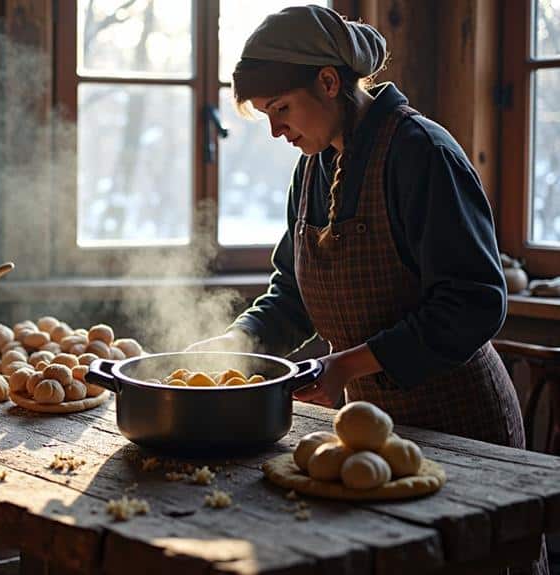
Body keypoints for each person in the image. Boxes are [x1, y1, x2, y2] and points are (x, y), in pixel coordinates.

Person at [189, 7, 546, 570]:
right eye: (266, 115)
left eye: (281, 108)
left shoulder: (421, 153)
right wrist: (232, 344)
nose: (277, 129)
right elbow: (293, 295)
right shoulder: (313, 168)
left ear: (328, 82)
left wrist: (348, 365)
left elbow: (474, 301)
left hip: (459, 427)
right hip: (373, 426)